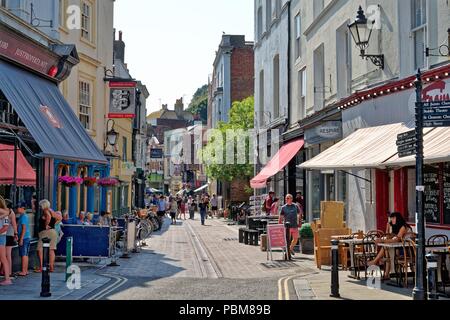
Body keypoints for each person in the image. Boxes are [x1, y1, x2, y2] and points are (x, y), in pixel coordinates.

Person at [368, 212, 413, 279]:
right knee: (386, 248)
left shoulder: (403, 227)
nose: (392, 220)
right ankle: (387, 272)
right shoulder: (397, 226)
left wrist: (382, 240)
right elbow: (391, 236)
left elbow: (396, 240)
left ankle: (384, 268)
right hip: (400, 248)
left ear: (398, 219)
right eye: (391, 218)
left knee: (386, 248)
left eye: (393, 218)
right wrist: (388, 227)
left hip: (407, 251)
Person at [36, 200, 61, 273]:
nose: (40, 207)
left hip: (45, 232)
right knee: (51, 249)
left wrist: (47, 225)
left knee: (39, 249)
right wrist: (53, 224)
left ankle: (41, 267)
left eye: (40, 205)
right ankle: (51, 267)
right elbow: (60, 218)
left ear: (43, 205)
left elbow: (49, 217)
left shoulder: (46, 211)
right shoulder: (52, 210)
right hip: (53, 232)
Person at [15, 202, 31, 277]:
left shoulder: (24, 216)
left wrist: (21, 239)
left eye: (18, 207)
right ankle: (25, 270)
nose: (17, 209)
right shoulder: (22, 216)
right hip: (26, 237)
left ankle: (24, 271)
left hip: (24, 238)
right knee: (25, 254)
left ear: (23, 208)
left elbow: (24, 229)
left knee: (24, 254)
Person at [0, 197, 12, 285]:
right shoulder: (5, 214)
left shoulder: (5, 214)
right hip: (2, 237)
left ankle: (7, 279)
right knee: (3, 258)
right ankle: (7, 279)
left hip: (1, 237)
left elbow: (5, 228)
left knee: (3, 258)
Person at [5, 201, 18, 279]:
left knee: (6, 255)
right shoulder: (11, 212)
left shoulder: (9, 212)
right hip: (9, 234)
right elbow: (14, 224)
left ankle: (8, 272)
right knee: (7, 255)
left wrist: (15, 234)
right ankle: (8, 271)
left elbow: (14, 224)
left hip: (7, 234)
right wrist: (15, 234)